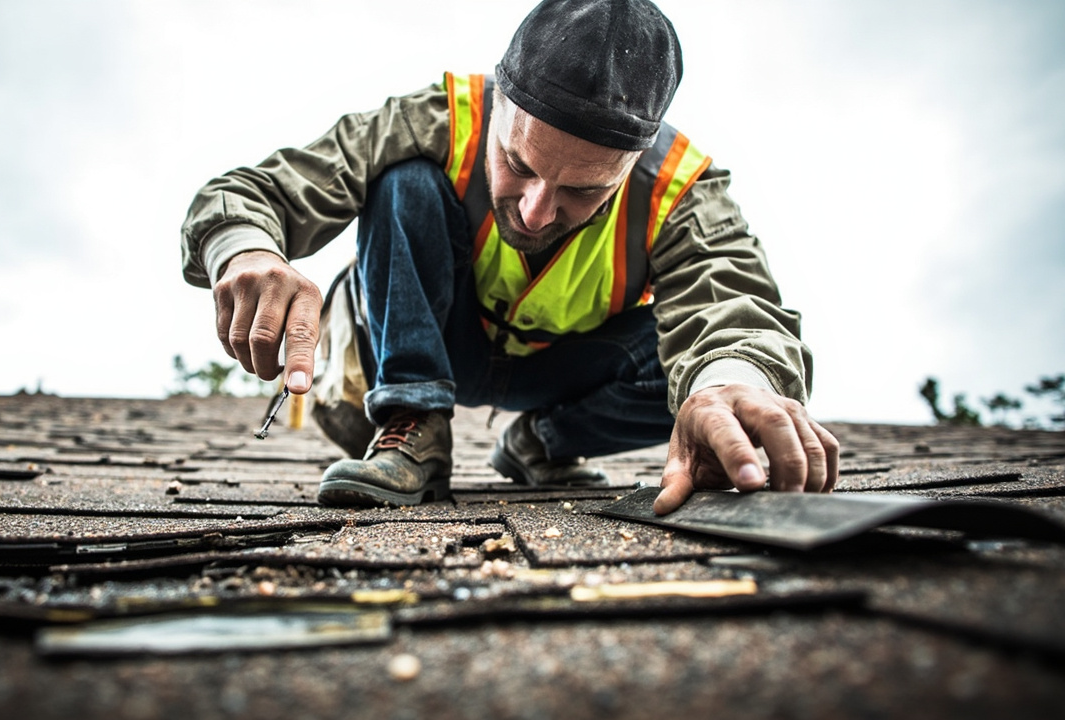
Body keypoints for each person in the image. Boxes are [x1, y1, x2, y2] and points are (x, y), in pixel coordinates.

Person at [179, 0, 839, 512]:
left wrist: (730, 385)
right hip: (438, 336)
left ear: (635, 160)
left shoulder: (683, 191)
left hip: (563, 369)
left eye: (584, 191)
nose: (534, 211)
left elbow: (736, 303)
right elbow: (248, 193)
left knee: (701, 379)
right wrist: (245, 248)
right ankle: (412, 417)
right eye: (516, 164)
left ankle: (542, 442)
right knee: (401, 180)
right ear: (499, 107)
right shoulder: (437, 117)